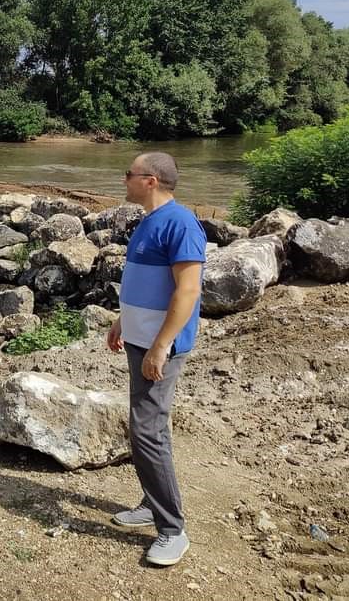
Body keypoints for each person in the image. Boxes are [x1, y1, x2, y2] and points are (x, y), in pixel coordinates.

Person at [106, 152, 206, 567]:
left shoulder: (181, 222)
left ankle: (172, 529)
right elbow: (144, 281)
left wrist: (162, 345)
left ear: (150, 180)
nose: (123, 179)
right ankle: (151, 503)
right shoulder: (149, 220)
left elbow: (188, 291)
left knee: (147, 431)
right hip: (139, 339)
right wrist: (120, 320)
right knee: (144, 425)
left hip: (158, 346)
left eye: (128, 174)